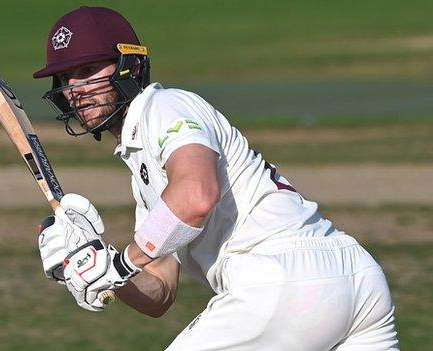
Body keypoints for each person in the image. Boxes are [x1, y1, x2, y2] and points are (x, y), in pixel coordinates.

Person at [33, 6, 399, 350]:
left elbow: (196, 196)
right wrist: (96, 262)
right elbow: (159, 292)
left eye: (87, 71)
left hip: (281, 279)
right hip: (358, 280)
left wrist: (121, 262)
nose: (75, 89)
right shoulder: (145, 170)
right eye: (65, 78)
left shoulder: (164, 106)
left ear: (128, 66)